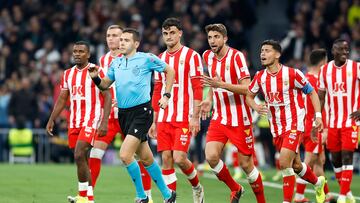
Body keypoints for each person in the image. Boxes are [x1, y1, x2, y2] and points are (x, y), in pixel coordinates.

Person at [88, 28, 176, 203]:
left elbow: (170, 71)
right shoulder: (116, 63)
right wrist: (95, 78)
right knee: (146, 157)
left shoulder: (146, 58)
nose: (121, 43)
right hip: (124, 115)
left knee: (125, 154)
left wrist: (166, 95)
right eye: (121, 40)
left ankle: (141, 196)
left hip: (142, 112)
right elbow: (105, 85)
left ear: (136, 44)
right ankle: (168, 195)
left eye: (126, 40)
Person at [246, 39, 326, 203]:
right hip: (276, 127)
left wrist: (318, 116)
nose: (263, 54)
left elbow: (312, 93)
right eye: (262, 51)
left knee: (283, 163)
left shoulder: (292, 74)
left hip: (294, 124)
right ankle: (318, 183)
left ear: (277, 54)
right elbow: (249, 95)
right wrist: (255, 106)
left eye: (267, 51)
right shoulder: (260, 77)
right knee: (296, 165)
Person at [200, 23, 266, 203]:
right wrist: (210, 99)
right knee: (211, 156)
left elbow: (248, 88)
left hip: (240, 119)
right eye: (210, 38)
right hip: (219, 117)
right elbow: (215, 82)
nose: (212, 41)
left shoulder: (237, 57)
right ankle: (235, 188)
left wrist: (222, 85)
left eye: (216, 37)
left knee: (246, 165)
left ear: (225, 38)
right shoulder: (208, 56)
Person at [46, 41, 112, 203]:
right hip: (74, 121)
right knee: (82, 159)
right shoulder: (68, 74)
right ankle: (88, 197)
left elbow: (108, 95)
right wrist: (52, 118)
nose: (77, 54)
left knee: (79, 154)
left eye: (81, 51)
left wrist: (104, 122)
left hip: (92, 119)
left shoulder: (96, 70)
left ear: (88, 54)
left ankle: (82, 197)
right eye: (75, 51)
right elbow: (62, 98)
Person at [148, 17, 204, 203]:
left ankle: (197, 187)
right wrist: (154, 121)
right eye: (165, 33)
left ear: (180, 33)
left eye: (172, 32)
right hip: (164, 117)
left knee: (180, 158)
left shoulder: (192, 56)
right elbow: (157, 90)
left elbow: (197, 88)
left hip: (184, 115)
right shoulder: (160, 59)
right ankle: (169, 199)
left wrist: (195, 117)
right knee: (166, 158)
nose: (169, 36)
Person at [318, 39, 360, 203]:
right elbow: (321, 96)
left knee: (347, 156)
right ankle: (347, 192)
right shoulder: (324, 70)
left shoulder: (356, 67)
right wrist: (318, 117)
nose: (345, 52)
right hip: (333, 122)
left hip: (351, 121)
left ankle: (342, 197)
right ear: (333, 50)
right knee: (335, 158)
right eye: (341, 49)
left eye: (347, 50)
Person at [294, 49, 333, 203]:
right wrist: (325, 129)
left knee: (319, 162)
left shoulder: (303, 78)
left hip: (303, 124)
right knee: (308, 162)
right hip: (314, 126)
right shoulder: (317, 82)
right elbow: (320, 107)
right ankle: (298, 197)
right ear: (323, 62)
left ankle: (327, 196)